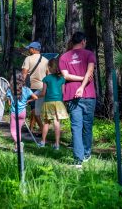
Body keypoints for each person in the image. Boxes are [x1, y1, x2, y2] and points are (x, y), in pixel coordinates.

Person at [59, 31, 96, 169]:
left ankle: (78, 159)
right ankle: (85, 154)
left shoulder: (64, 57)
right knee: (87, 126)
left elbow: (66, 76)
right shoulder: (89, 54)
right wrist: (83, 84)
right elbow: (89, 72)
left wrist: (79, 86)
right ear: (83, 41)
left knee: (76, 127)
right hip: (89, 95)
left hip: (71, 96)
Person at [39, 58, 69, 150]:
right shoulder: (62, 79)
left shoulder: (46, 79)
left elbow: (43, 93)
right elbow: (63, 93)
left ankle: (43, 142)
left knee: (46, 122)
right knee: (57, 122)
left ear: (49, 67)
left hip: (48, 102)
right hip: (58, 103)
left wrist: (36, 96)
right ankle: (57, 144)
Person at [6, 71, 39, 152]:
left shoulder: (10, 90)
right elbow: (36, 97)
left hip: (14, 113)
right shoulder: (27, 89)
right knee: (18, 130)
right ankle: (17, 148)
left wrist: (7, 98)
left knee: (13, 131)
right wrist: (28, 101)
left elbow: (9, 104)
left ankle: (19, 143)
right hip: (23, 113)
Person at [21, 41, 48, 135]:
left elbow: (24, 73)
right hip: (42, 87)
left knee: (34, 109)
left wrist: (22, 84)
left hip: (31, 86)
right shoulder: (45, 60)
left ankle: (42, 129)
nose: (28, 50)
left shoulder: (28, 59)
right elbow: (48, 75)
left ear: (33, 49)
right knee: (36, 108)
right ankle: (31, 129)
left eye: (29, 48)